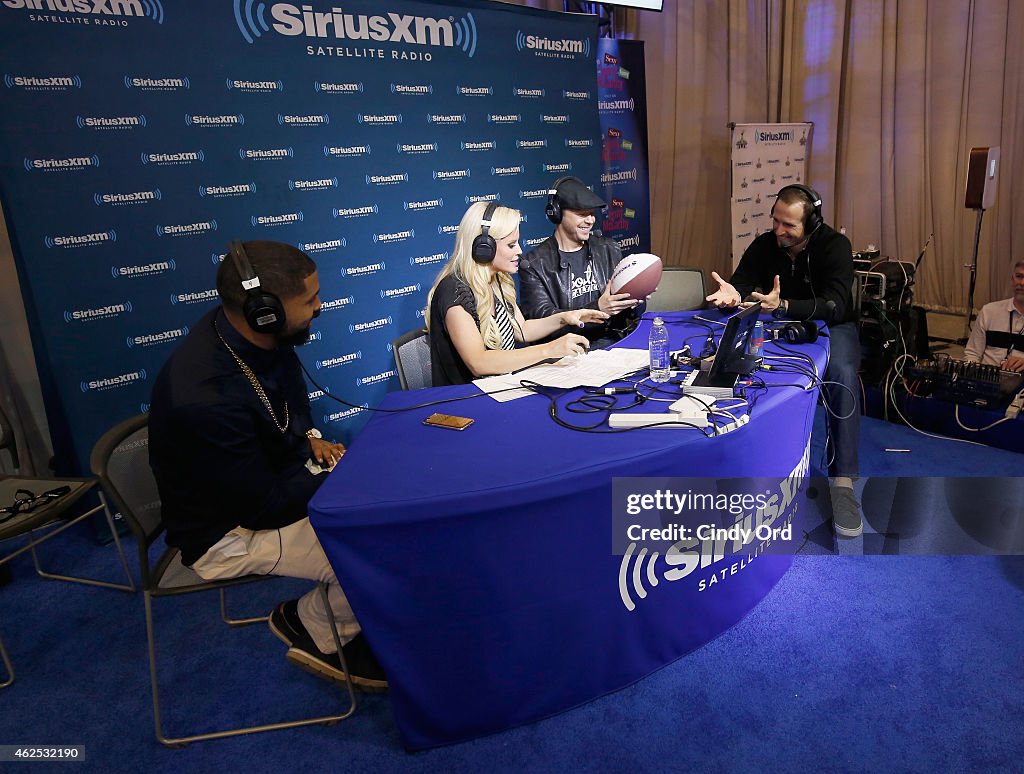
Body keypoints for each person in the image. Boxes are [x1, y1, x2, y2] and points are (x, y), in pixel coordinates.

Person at [148, 239, 386, 690]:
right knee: (378, 550)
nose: (320, 307)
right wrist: (355, 479)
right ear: (265, 312)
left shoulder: (256, 338)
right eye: (310, 300)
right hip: (226, 535)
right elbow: (265, 508)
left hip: (272, 487)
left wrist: (311, 439)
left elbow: (290, 403)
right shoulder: (205, 396)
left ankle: (303, 616)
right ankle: (321, 635)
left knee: (387, 514)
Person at [705, 184, 864, 538]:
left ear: (812, 223)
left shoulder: (835, 246)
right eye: (776, 221)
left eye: (789, 225)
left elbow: (835, 303)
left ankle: (842, 482)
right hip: (777, 323)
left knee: (840, 373)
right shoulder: (766, 243)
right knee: (738, 359)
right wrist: (734, 293)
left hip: (829, 326)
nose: (779, 231)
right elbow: (743, 281)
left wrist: (786, 306)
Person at [426, 201, 608, 386]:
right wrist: (550, 349)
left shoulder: (496, 280)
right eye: (511, 245)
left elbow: (523, 330)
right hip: (467, 400)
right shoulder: (454, 292)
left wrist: (566, 317)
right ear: (484, 247)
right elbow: (478, 362)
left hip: (501, 387)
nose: (520, 251)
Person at [519, 176, 641, 348]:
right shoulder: (533, 264)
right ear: (557, 213)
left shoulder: (608, 249)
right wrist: (598, 308)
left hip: (615, 345)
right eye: (582, 214)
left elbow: (623, 315)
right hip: (568, 354)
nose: (590, 220)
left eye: (592, 214)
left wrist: (635, 295)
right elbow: (543, 324)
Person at [963, 259, 1024, 372]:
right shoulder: (989, 311)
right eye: (1019, 276)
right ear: (1012, 279)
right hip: (987, 382)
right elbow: (972, 353)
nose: (1022, 283)